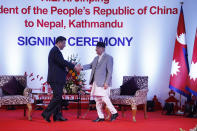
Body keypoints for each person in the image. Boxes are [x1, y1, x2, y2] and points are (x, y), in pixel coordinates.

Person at [41, 36, 81, 122]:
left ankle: (57, 116)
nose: (65, 45)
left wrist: (69, 65)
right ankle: (46, 113)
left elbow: (60, 63)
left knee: (58, 97)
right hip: (55, 78)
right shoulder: (55, 50)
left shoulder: (56, 51)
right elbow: (62, 62)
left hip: (57, 78)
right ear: (59, 42)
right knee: (57, 97)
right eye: (64, 43)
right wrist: (73, 66)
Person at [82, 42, 118, 122]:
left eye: (97, 48)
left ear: (103, 48)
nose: (96, 50)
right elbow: (90, 66)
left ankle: (114, 112)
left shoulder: (109, 58)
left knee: (104, 98)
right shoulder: (95, 58)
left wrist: (107, 82)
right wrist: (81, 67)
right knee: (97, 100)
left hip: (103, 83)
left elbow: (110, 72)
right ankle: (101, 116)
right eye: (96, 48)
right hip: (95, 82)